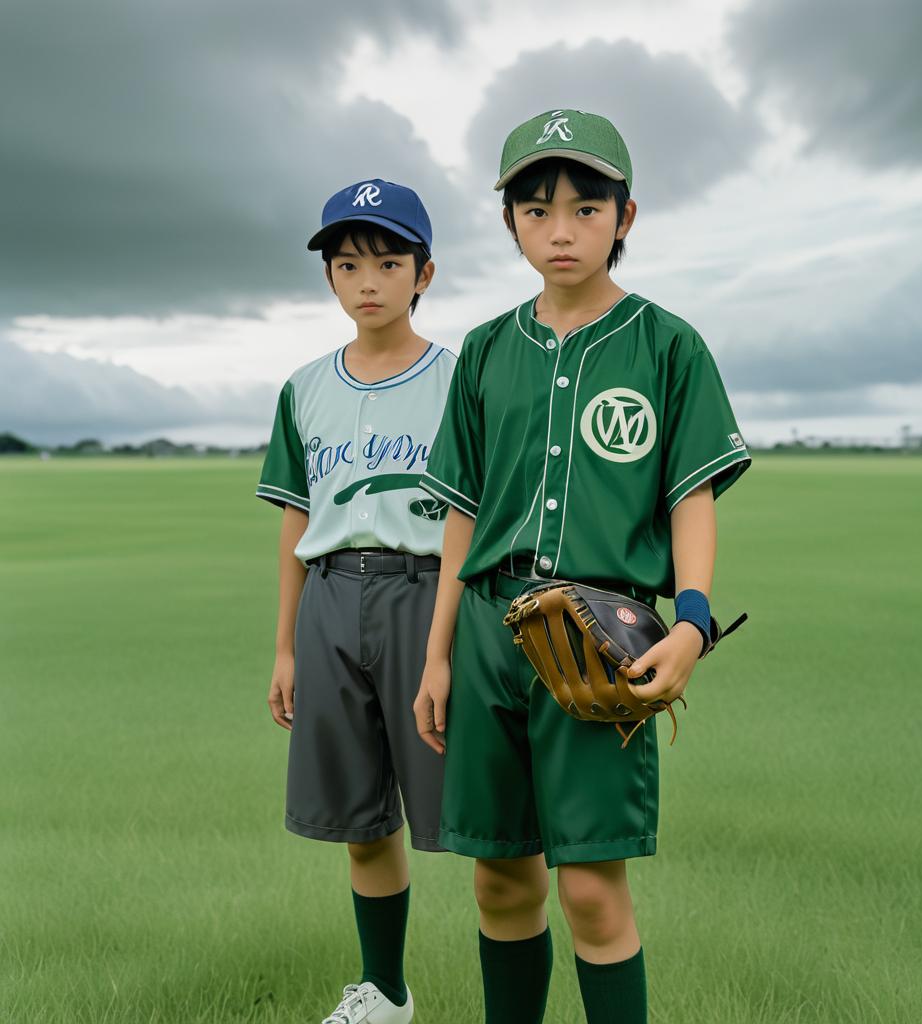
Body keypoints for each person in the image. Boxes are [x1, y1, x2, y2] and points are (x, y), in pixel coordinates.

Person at [414, 110, 751, 1023]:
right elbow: (463, 514)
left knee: (593, 894)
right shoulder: (484, 350)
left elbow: (690, 495)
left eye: (584, 208)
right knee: (500, 884)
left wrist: (692, 619)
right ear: (512, 222)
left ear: (625, 216)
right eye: (535, 209)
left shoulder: (667, 344)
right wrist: (439, 655)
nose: (560, 230)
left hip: (603, 631)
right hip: (488, 629)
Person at [258, 179, 454, 1024]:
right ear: (330, 279)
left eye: (387, 261)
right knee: (363, 823)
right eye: (346, 264)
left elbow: (470, 516)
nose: (366, 280)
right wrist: (285, 647)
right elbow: (297, 520)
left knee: (482, 819)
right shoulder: (304, 388)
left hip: (427, 596)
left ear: (424, 273)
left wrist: (447, 646)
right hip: (333, 598)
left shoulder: (461, 378)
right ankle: (386, 993)